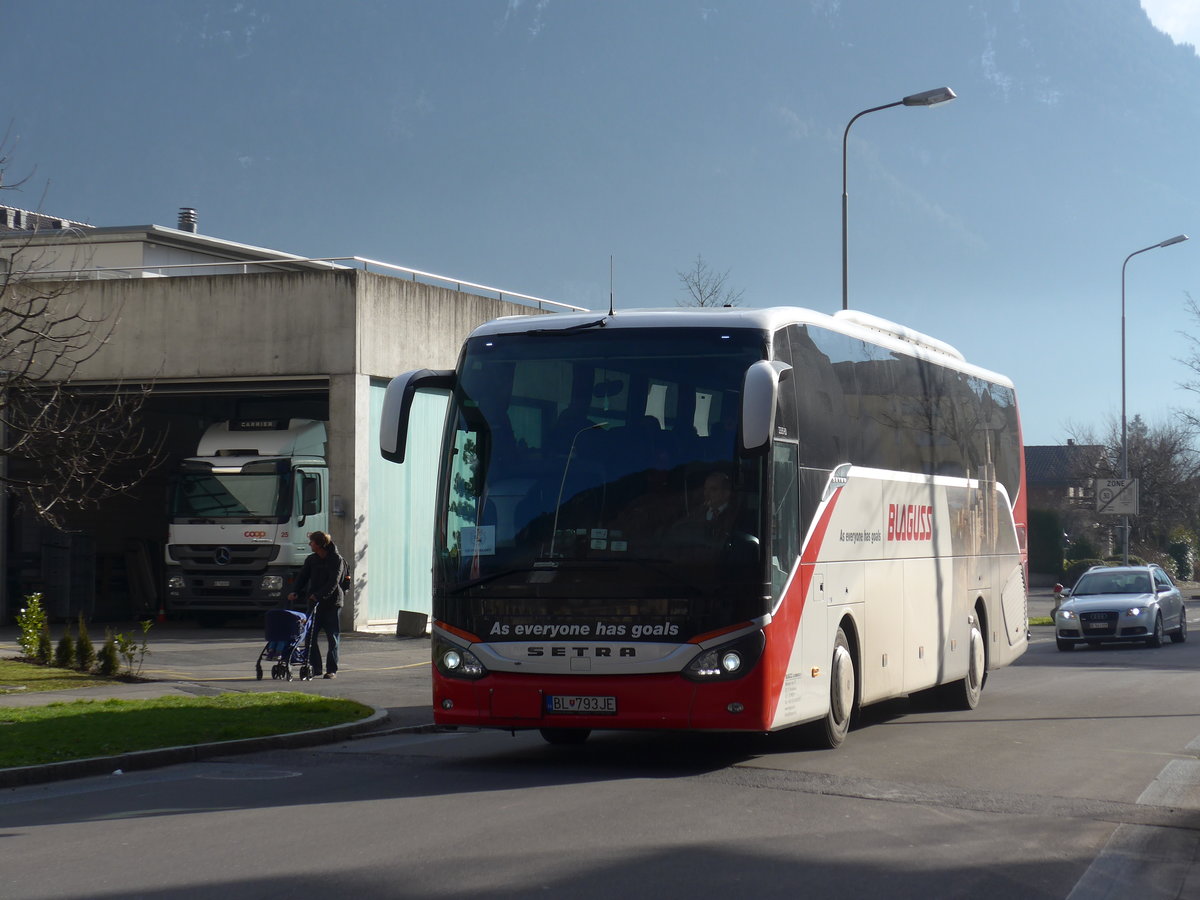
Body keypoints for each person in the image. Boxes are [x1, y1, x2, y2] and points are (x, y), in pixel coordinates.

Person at [288, 531, 346, 679]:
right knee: (309, 636)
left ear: (319, 544)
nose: (310, 544)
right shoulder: (311, 559)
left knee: (332, 637)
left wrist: (319, 595)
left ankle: (331, 670)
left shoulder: (336, 559)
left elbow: (333, 582)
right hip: (314, 603)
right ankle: (316, 667)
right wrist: (295, 591)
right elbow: (303, 577)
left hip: (332, 603)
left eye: (312, 542)